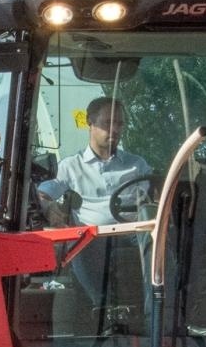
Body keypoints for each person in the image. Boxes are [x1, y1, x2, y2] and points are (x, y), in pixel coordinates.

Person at [37, 96, 153, 305]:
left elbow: (156, 193)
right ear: (90, 123)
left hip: (134, 233)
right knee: (80, 241)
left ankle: (156, 309)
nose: (114, 129)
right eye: (107, 123)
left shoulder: (137, 165)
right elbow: (43, 193)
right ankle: (102, 308)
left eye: (119, 123)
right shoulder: (70, 167)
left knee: (158, 239)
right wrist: (50, 207)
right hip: (93, 237)